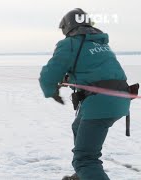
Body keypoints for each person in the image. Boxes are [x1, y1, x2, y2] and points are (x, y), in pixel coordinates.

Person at [39, 8, 131, 180]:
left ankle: (87, 171)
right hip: (120, 99)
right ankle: (84, 176)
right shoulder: (101, 44)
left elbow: (48, 75)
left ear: (67, 27)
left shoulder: (70, 44)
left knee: (85, 159)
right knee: (78, 126)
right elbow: (95, 70)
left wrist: (51, 91)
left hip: (100, 103)